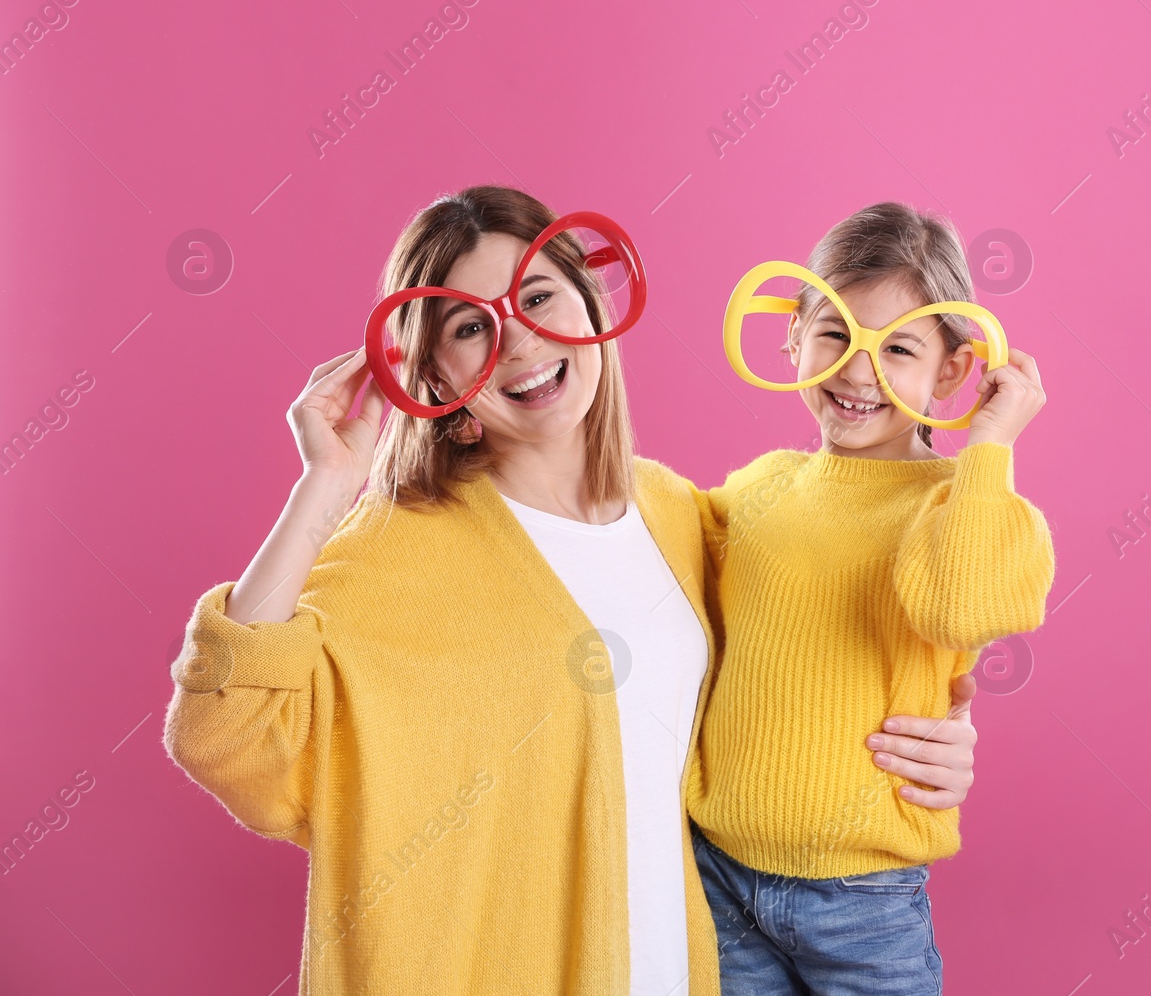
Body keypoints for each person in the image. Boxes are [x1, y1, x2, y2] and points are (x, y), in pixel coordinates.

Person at [163, 186, 979, 995]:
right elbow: (226, 730)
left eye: (538, 295)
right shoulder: (400, 545)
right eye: (471, 326)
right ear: (436, 374)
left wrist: (942, 730)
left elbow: (803, 634)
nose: (517, 339)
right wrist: (324, 487)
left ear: (589, 304)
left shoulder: (677, 514)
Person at [688, 202, 1055, 994]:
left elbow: (961, 608)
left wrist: (989, 444)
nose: (858, 371)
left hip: (863, 900)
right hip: (720, 878)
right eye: (834, 333)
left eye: (898, 348)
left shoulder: (964, 506)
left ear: (952, 372)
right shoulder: (757, 489)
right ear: (792, 337)